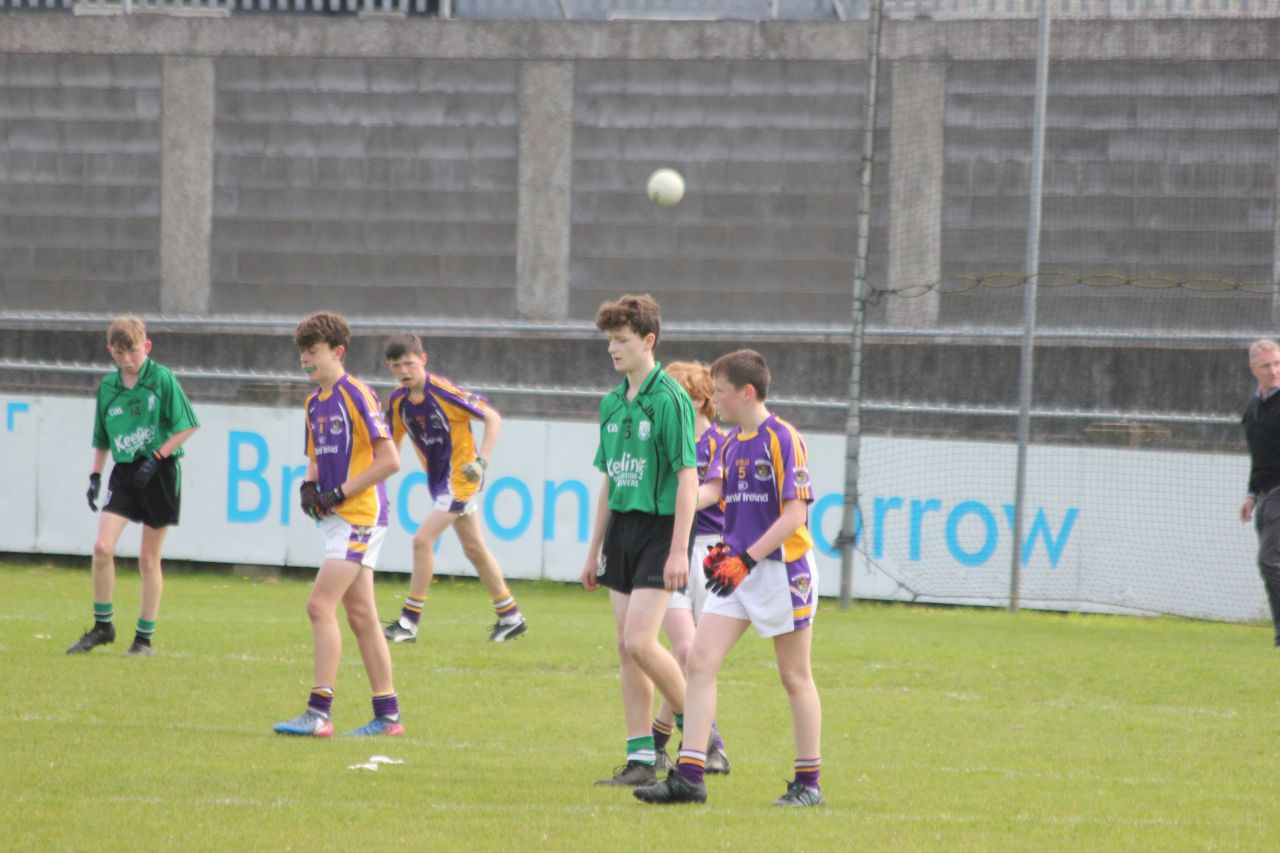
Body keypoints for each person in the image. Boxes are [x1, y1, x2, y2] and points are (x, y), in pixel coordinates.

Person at [635, 348, 823, 807]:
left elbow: (795, 513)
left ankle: (809, 785)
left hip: (782, 571)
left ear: (747, 392)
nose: (713, 399)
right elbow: (732, 513)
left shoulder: (782, 437)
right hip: (741, 571)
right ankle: (691, 775)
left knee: (794, 675)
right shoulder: (732, 443)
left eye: (719, 391)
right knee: (699, 660)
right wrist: (727, 553)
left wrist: (748, 559)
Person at [581, 294, 698, 788]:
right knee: (626, 649)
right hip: (623, 532)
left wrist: (677, 549)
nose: (613, 349)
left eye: (622, 340)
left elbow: (688, 477)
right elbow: (608, 479)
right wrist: (593, 550)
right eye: (610, 340)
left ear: (648, 341)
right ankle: (640, 759)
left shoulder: (670, 399)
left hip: (659, 530)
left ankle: (699, 729)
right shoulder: (611, 404)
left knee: (639, 640)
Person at [274, 311, 404, 737]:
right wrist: (309, 488)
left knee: (318, 605)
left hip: (360, 517)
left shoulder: (357, 394)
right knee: (362, 615)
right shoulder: (314, 401)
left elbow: (390, 461)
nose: (304, 360)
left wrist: (341, 492)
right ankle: (388, 716)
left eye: (312, 352)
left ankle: (319, 713)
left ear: (338, 352)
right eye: (301, 353)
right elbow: (314, 456)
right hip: (338, 519)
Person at [380, 332, 527, 644]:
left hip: (461, 481)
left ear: (423, 360)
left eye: (408, 363)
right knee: (474, 549)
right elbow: (390, 447)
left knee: (422, 540)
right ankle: (510, 616)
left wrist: (481, 462)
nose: (404, 371)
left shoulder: (443, 392)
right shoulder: (397, 401)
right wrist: (372, 484)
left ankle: (409, 622)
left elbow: (492, 417)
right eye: (396, 366)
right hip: (440, 483)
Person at [67, 315, 199, 657]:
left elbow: (187, 426)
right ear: (110, 350)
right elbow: (102, 437)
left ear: (147, 347)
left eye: (134, 353)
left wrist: (157, 457)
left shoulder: (162, 379)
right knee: (102, 547)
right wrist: (95, 476)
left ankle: (143, 639)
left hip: (161, 470)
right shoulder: (108, 388)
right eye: (120, 353)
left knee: (148, 559)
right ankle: (102, 626)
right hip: (125, 472)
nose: (127, 360)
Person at [651, 360, 730, 775]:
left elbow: (713, 490)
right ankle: (711, 742)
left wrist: (680, 496)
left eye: (677, 396)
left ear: (699, 399)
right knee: (683, 649)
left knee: (692, 657)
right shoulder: (666, 440)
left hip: (710, 554)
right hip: (671, 551)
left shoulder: (719, 442)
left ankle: (658, 741)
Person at [1240, 338, 1280, 646]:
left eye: (1278, 363)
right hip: (1266, 496)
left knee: (1269, 561)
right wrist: (1252, 494)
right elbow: (1259, 458)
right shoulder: (1253, 411)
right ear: (1254, 369)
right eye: (1266, 365)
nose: (1274, 370)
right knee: (1271, 565)